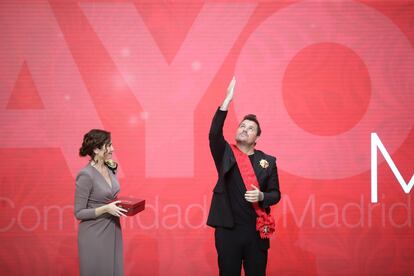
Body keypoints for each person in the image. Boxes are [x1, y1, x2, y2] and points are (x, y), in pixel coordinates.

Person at [207, 77, 281, 276]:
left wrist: (262, 197)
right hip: (228, 231)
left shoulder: (268, 161)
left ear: (257, 139)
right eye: (242, 125)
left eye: (250, 128)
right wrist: (226, 102)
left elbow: (276, 194)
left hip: (256, 231)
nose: (244, 129)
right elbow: (214, 133)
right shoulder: (225, 153)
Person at [74, 129, 127, 276]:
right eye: (108, 145)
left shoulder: (111, 167)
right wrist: (106, 209)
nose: (112, 149)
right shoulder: (86, 175)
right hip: (94, 233)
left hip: (113, 228)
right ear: (96, 149)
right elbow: (79, 213)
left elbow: (109, 196)